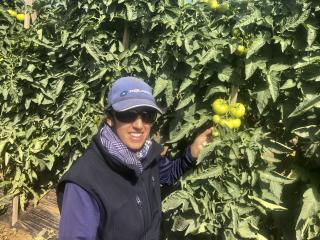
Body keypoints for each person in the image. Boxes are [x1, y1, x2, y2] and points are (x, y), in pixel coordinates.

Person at [56, 76, 213, 240]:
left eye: (148, 115)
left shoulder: (147, 155)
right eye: (128, 114)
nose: (139, 125)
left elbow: (167, 175)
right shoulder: (84, 183)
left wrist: (192, 153)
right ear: (109, 118)